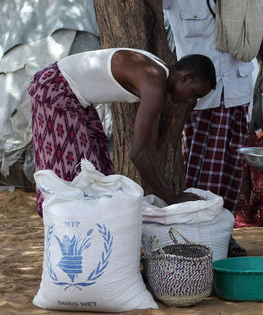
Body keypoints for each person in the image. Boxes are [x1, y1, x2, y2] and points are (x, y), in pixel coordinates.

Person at [149, 0, 263, 257]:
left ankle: (223, 232)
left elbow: (255, 28)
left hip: (235, 90)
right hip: (198, 95)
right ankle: (193, 230)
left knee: (231, 169)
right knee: (197, 164)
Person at [29, 49, 215, 214]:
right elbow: (140, 154)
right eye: (195, 94)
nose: (192, 102)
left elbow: (148, 150)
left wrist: (172, 195)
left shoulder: (157, 77)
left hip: (73, 96)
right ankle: (66, 227)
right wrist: (172, 199)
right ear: (186, 78)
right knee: (75, 175)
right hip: (55, 89)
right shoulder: (154, 83)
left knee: (97, 170)